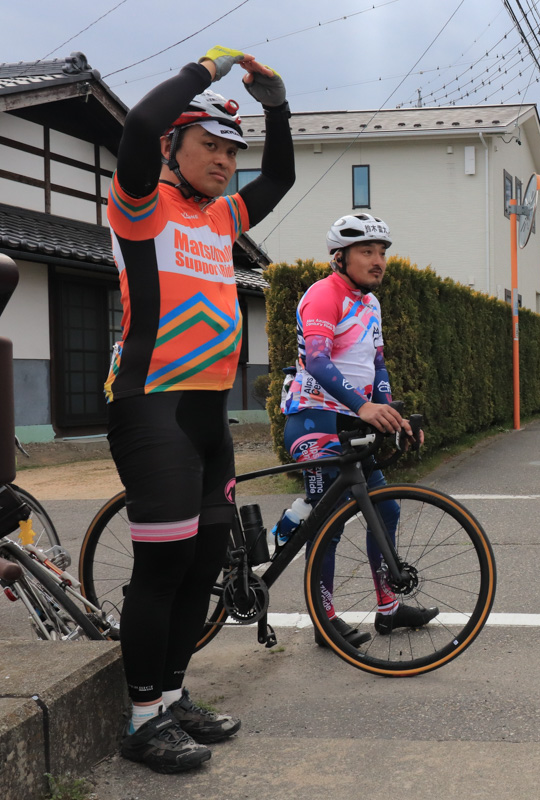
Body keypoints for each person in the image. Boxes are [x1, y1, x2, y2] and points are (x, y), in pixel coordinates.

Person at [106, 46, 295, 773]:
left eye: (229, 149)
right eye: (208, 145)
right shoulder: (139, 203)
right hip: (150, 408)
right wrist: (208, 68)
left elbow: (278, 174)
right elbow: (138, 123)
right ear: (172, 146)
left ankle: (174, 696)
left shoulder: (223, 217)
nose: (222, 160)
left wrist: (275, 106)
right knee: (163, 568)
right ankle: (140, 719)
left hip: (208, 418)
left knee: (204, 564)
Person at [280, 213, 438, 650]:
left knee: (384, 510)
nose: (378, 261)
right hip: (314, 419)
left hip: (352, 421)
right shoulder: (322, 296)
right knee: (326, 525)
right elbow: (317, 360)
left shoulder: (370, 304)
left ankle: (388, 607)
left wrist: (389, 413)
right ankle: (324, 618)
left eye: (382, 252)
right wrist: (364, 406)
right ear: (340, 257)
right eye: (367, 251)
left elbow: (378, 365)